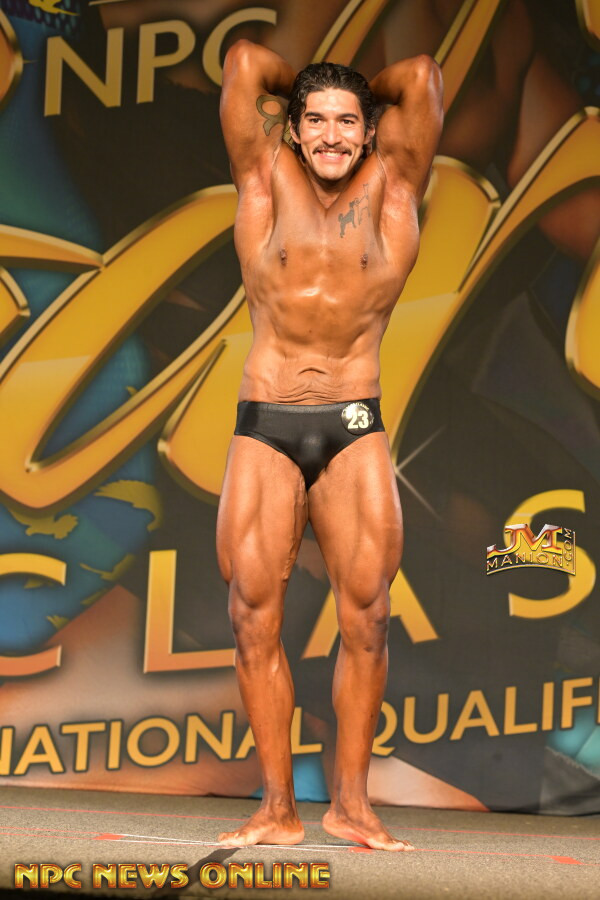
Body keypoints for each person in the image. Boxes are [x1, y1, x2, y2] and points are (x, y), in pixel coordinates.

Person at [216, 39, 443, 851]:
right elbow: (245, 61)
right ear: (294, 127)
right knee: (252, 615)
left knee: (369, 616)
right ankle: (277, 808)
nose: (332, 136)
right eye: (315, 119)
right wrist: (314, 84)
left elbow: (420, 77)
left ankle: (350, 804)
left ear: (372, 129)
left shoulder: (395, 184)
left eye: (348, 121)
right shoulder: (263, 177)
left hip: (351, 421)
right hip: (267, 419)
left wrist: (354, 95)